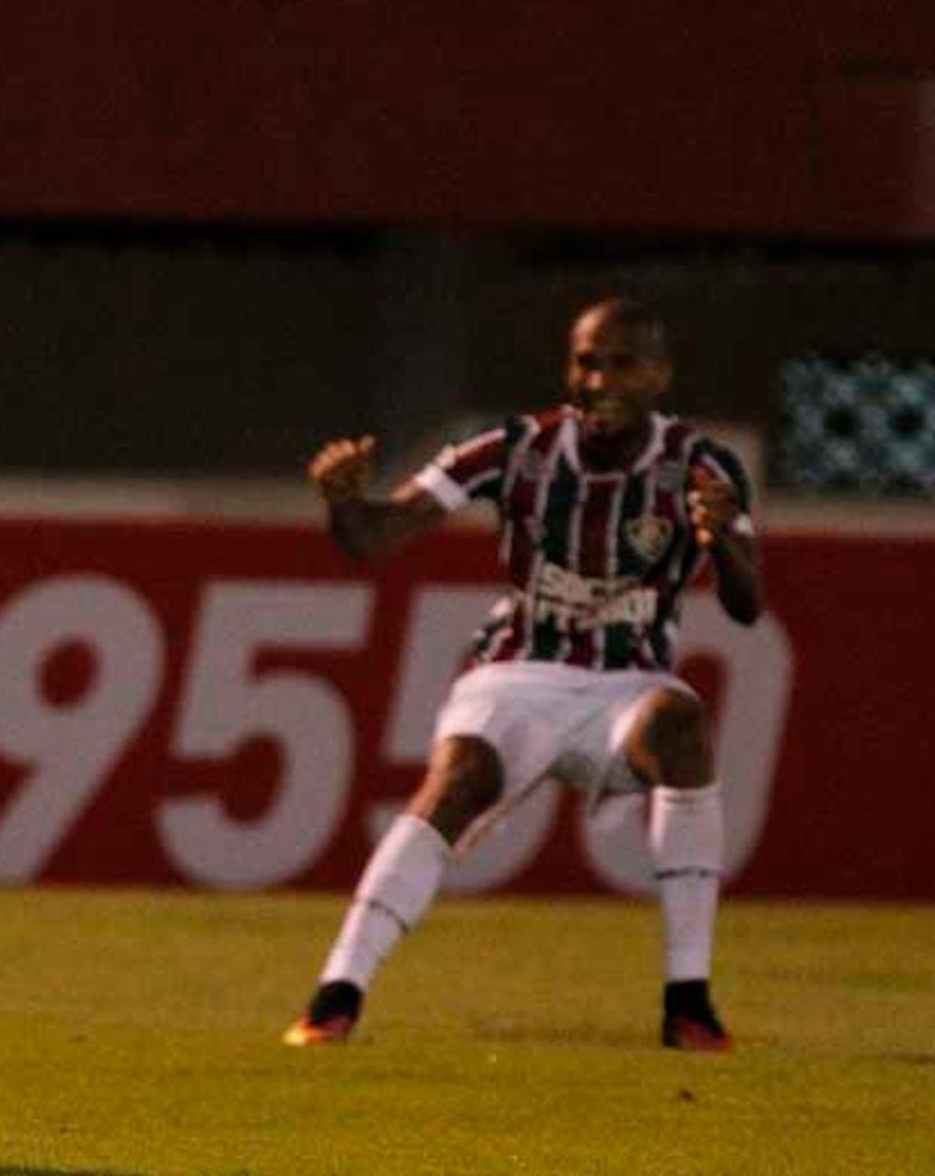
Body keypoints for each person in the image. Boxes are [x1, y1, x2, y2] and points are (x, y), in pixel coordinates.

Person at [282, 298, 763, 1052]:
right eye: (586, 360)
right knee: (463, 771)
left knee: (683, 726)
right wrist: (345, 502)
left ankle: (690, 1004)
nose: (600, 377)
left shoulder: (704, 468)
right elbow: (378, 537)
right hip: (518, 672)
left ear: (660, 375)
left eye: (622, 362)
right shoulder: (513, 447)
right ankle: (335, 996)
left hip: (626, 686)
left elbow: (746, 602)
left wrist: (723, 539)